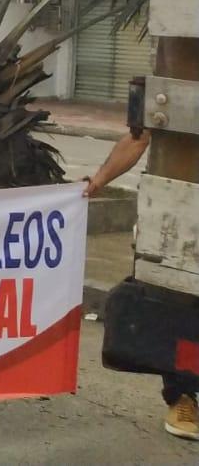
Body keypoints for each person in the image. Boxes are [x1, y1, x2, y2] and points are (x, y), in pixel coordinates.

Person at [80, 130, 196, 439]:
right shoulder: (178, 81)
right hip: (181, 207)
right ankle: (184, 397)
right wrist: (98, 181)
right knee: (179, 306)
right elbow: (139, 136)